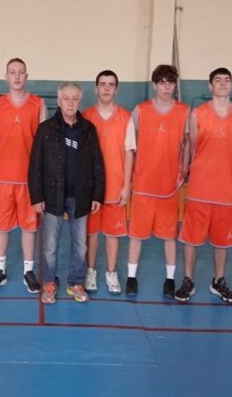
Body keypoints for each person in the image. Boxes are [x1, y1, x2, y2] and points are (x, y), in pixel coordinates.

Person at [175, 68, 232, 303]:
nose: (223, 84)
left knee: (222, 240)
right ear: (210, 86)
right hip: (200, 185)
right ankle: (188, 280)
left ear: (231, 85)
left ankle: (219, 280)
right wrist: (183, 171)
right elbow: (191, 146)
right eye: (218, 80)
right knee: (191, 237)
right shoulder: (198, 114)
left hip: (226, 187)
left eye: (227, 80)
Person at [28, 83, 105, 304]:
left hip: (80, 196)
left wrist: (97, 195)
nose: (70, 103)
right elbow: (35, 165)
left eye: (74, 99)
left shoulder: (88, 130)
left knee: (80, 244)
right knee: (50, 245)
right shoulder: (46, 129)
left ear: (79, 101)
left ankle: (75, 282)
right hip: (52, 196)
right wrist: (37, 197)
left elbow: (97, 164)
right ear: (59, 101)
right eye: (66, 98)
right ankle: (49, 282)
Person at [0, 58, 46, 293]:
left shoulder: (38, 104)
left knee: (29, 227)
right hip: (2, 177)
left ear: (26, 76)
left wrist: (41, 179)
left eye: (21, 72)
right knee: (1, 226)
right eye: (13, 72)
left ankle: (28, 271)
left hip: (29, 179)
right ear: (6, 76)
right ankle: (0, 271)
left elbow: (43, 145)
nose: (17, 76)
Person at [126, 65, 189, 298]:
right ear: (154, 85)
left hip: (169, 185)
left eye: (170, 82)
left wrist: (184, 169)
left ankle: (170, 279)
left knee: (169, 236)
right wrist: (131, 175)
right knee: (136, 235)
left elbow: (188, 143)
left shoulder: (184, 111)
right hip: (143, 184)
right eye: (162, 82)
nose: (166, 87)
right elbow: (130, 145)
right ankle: (131, 277)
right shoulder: (140, 110)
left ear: (174, 85)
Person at [82, 70, 133, 295]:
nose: (106, 88)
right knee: (91, 234)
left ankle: (111, 273)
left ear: (116, 90)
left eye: (111, 85)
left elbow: (129, 153)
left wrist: (126, 186)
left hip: (115, 186)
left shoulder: (126, 117)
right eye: (102, 84)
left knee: (113, 234)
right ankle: (90, 272)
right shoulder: (85, 117)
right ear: (96, 88)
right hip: (91, 189)